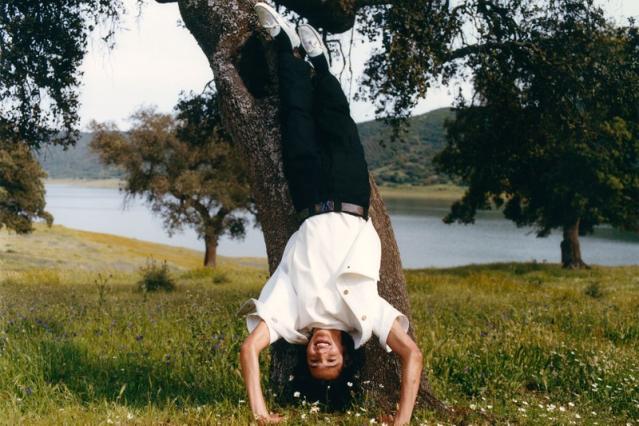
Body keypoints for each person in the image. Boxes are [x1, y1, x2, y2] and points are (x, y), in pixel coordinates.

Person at [238, 3, 424, 425]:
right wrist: (401, 423)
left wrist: (260, 413)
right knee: (339, 123)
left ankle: (285, 46)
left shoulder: (291, 315)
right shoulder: (365, 316)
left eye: (316, 359)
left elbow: (249, 350)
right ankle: (321, 65)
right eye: (331, 358)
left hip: (308, 198)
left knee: (297, 121)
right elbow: (412, 355)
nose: (321, 351)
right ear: (345, 353)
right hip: (351, 196)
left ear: (305, 353)